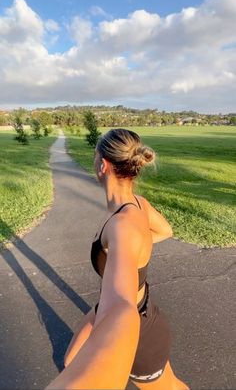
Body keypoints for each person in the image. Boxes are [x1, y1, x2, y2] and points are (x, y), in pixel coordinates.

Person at [46, 128, 189, 390]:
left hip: (140, 330)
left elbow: (121, 309)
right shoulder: (136, 204)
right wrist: (126, 254)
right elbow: (164, 231)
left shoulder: (122, 225)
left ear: (102, 164)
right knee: (70, 360)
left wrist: (127, 248)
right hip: (117, 307)